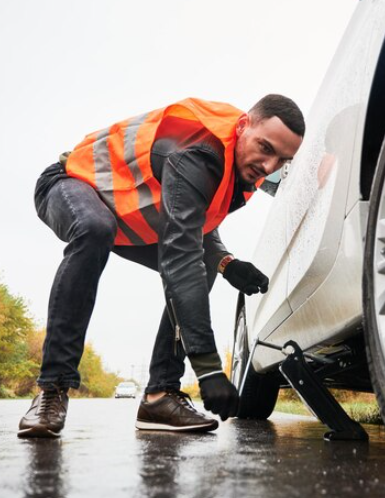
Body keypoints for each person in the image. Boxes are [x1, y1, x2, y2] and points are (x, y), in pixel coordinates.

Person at [18, 95, 305, 438]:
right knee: (96, 230)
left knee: (199, 261)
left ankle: (159, 396)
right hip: (69, 183)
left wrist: (226, 264)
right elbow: (179, 258)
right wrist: (209, 368)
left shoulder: (242, 165)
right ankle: (52, 390)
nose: (269, 166)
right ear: (243, 125)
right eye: (265, 147)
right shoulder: (196, 151)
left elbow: (196, 225)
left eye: (281, 160)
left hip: (126, 218)